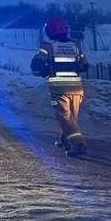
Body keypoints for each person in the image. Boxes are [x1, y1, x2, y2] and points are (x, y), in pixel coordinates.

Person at [31, 17, 89, 156]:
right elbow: (84, 66)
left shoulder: (47, 46)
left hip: (58, 89)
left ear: (49, 31)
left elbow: (36, 66)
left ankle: (78, 144)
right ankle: (65, 140)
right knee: (71, 117)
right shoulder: (75, 45)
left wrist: (45, 72)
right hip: (76, 88)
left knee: (65, 117)